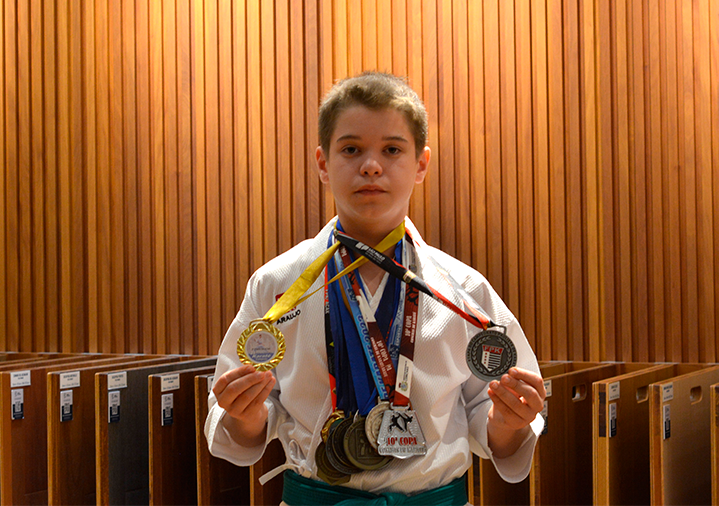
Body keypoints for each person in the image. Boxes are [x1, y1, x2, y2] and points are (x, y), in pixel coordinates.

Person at [205, 72, 545, 505]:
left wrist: (509, 420)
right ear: (323, 163)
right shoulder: (277, 285)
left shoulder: (463, 289)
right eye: (351, 149)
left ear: (421, 164)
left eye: (391, 149)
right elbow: (240, 429)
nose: (371, 165)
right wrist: (246, 415)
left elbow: (494, 424)